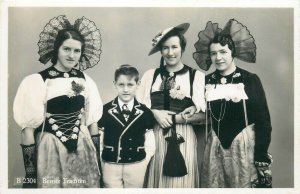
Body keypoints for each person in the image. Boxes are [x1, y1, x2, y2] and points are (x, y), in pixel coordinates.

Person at [13, 15, 103, 188]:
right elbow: (27, 131)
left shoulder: (86, 80)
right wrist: (30, 175)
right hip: (50, 148)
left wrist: (97, 163)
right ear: (57, 49)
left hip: (82, 148)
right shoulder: (38, 81)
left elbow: (93, 123)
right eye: (66, 49)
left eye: (77, 51)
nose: (72, 55)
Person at [193, 19, 273, 188]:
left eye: (223, 52)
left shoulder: (249, 79)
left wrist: (260, 155)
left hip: (243, 148)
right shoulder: (206, 81)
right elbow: (201, 112)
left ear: (232, 52)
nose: (218, 57)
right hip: (215, 148)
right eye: (213, 53)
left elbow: (263, 121)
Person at [137, 23, 206, 188]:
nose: (170, 52)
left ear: (182, 48)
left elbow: (204, 116)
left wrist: (177, 118)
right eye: (165, 48)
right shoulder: (150, 76)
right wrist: (155, 113)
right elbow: (137, 109)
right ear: (160, 50)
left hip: (184, 137)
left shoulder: (196, 76)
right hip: (155, 136)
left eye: (174, 47)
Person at [97, 64, 156, 188]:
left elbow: (150, 143)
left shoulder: (145, 112)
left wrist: (143, 163)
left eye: (130, 85)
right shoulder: (104, 110)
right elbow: (100, 141)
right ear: (114, 84)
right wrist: (104, 162)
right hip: (111, 164)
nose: (125, 90)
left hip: (136, 164)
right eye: (121, 85)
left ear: (138, 84)